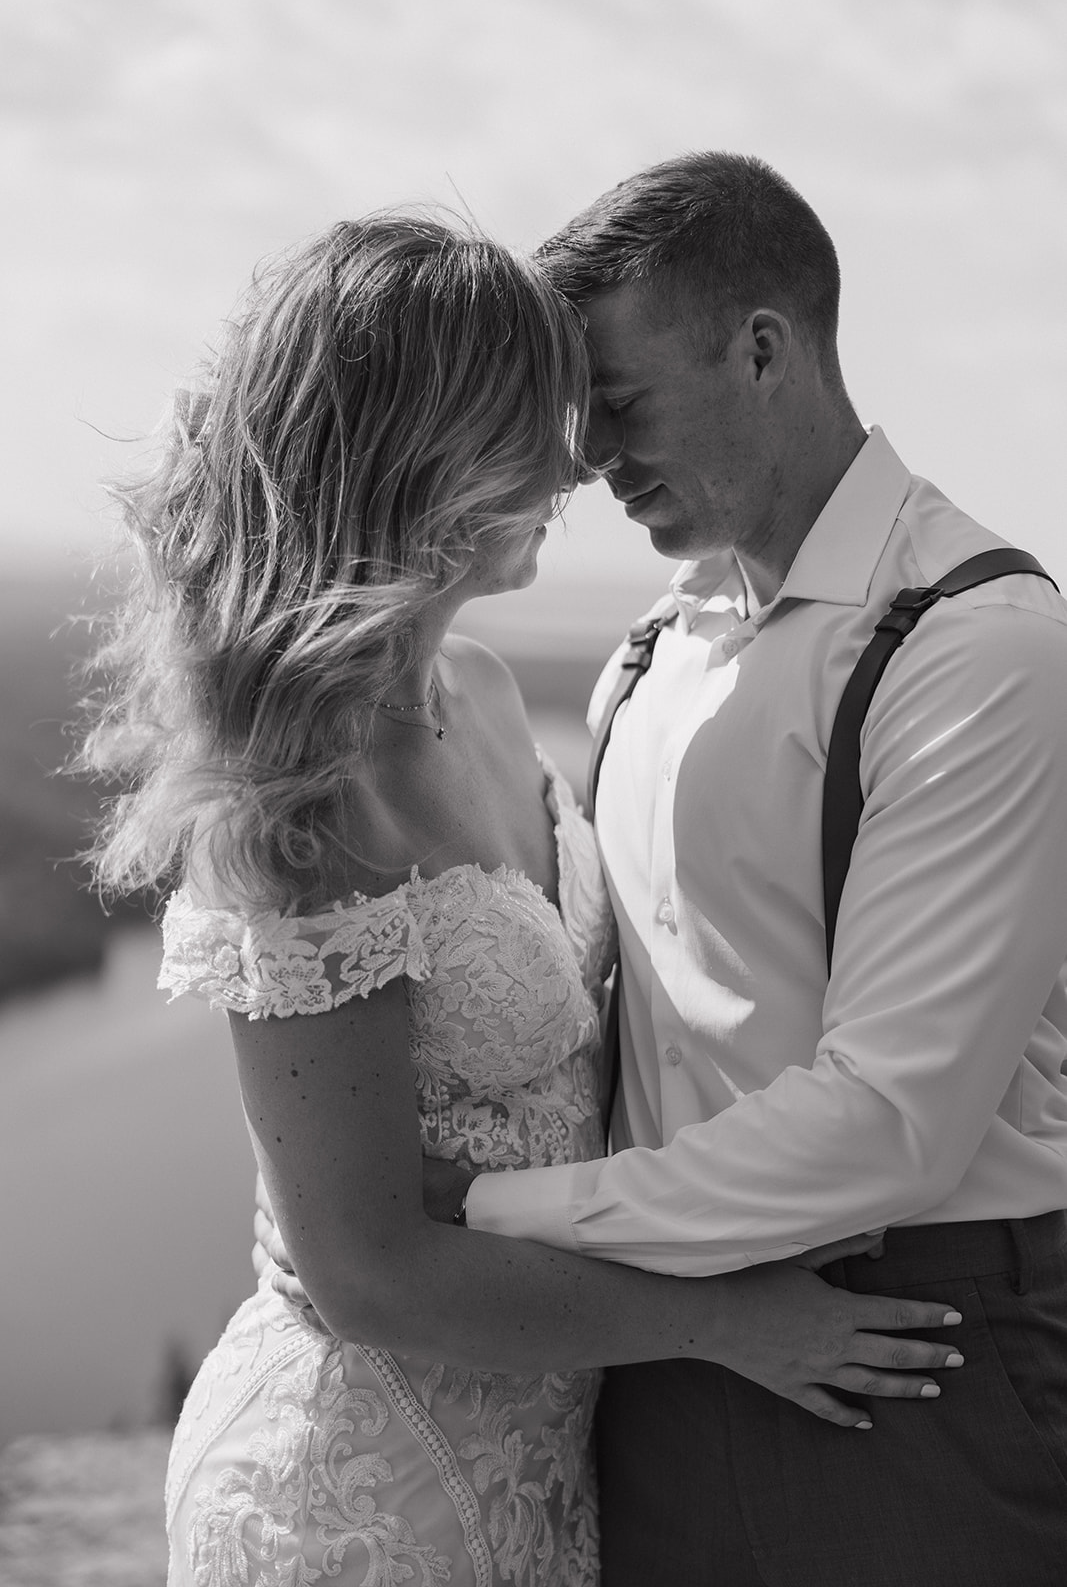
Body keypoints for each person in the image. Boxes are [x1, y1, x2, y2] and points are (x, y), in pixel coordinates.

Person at [80, 212, 964, 1587]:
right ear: (421, 446)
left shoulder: (485, 696)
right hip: (360, 1495)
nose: (581, 459)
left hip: (545, 1457)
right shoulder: (300, 795)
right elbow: (369, 1273)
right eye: (540, 416)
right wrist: (732, 1323)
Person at [420, 153, 1067, 1583]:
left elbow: (892, 1119)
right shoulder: (656, 649)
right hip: (651, 1353)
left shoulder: (979, 647)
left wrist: (493, 1221)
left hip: (907, 1356)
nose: (593, 461)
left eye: (624, 405)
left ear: (764, 346)